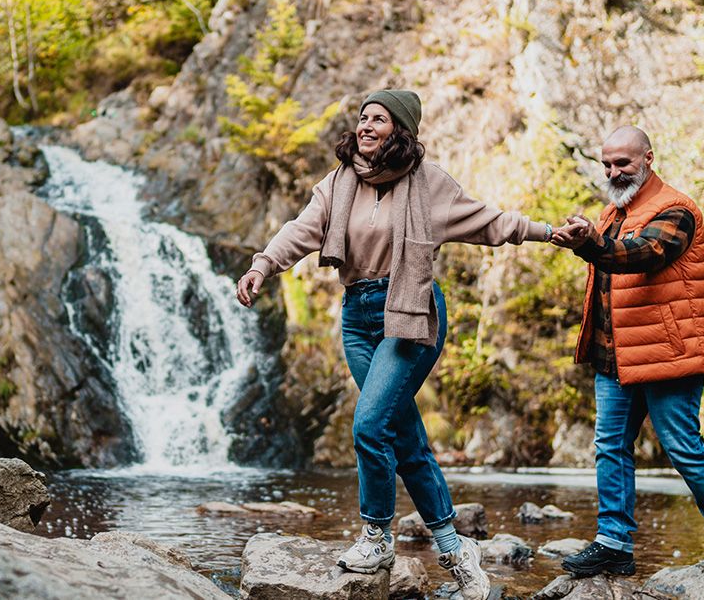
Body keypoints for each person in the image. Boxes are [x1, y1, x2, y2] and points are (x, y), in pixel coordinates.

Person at [236, 90, 564, 600]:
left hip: (410, 313)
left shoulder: (428, 184)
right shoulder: (340, 182)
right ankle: (457, 550)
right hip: (357, 317)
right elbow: (301, 230)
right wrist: (262, 266)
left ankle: (377, 535)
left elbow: (491, 221)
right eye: (363, 116)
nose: (366, 125)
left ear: (400, 130)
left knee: (369, 425)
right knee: (403, 435)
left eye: (379, 118)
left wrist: (549, 232)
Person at [551, 126, 704, 586]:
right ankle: (614, 545)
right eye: (606, 164)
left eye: (622, 163)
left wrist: (590, 242)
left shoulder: (676, 209)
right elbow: (609, 264)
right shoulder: (612, 211)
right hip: (616, 359)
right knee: (610, 449)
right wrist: (586, 236)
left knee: (684, 448)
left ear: (647, 157)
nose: (613, 171)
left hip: (669, 356)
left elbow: (643, 255)